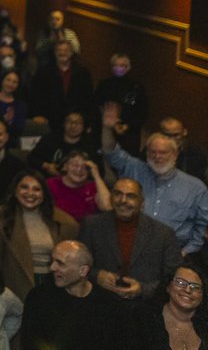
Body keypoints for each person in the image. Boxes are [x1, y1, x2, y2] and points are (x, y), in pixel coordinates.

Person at [102, 101, 208, 255]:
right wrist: (107, 128)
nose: (157, 156)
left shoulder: (196, 188)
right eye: (153, 152)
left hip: (171, 252)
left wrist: (186, 251)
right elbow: (110, 150)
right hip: (129, 247)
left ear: (175, 154)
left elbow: (202, 225)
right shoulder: (135, 168)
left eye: (163, 152)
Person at [79, 177, 182, 302]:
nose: (123, 200)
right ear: (111, 197)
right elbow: (77, 265)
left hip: (145, 307)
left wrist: (143, 289)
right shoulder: (92, 225)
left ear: (142, 202)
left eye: (131, 196)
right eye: (118, 194)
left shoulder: (164, 234)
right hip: (99, 302)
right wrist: (97, 275)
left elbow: (174, 278)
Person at [0, 170, 79, 301]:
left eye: (36, 189)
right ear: (15, 191)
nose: (30, 193)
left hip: (53, 287)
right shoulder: (1, 217)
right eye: (24, 187)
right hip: (14, 291)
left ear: (44, 194)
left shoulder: (63, 221)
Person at [18, 240, 129, 350]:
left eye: (60, 263)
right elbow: (30, 343)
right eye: (52, 261)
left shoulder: (108, 305)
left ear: (83, 271)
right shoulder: (39, 298)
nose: (52, 267)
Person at [136, 263, 208, 349]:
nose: (188, 290)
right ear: (168, 287)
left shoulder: (205, 326)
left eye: (195, 287)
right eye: (181, 282)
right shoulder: (143, 319)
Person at [46, 149, 110, 223]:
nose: (79, 169)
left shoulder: (94, 186)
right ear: (65, 166)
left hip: (87, 230)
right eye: (75, 165)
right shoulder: (51, 184)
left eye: (85, 167)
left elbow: (107, 207)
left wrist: (96, 175)